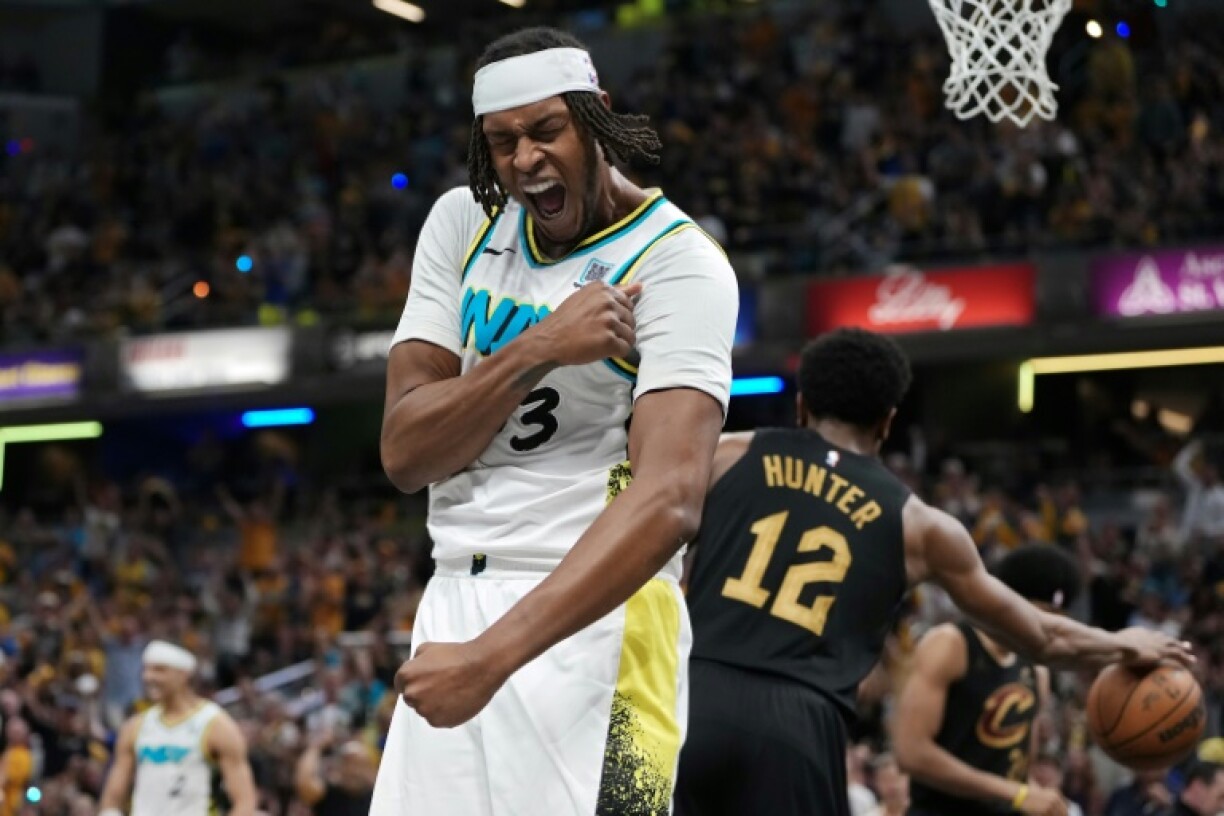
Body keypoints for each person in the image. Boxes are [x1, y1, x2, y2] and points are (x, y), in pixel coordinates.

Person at [372, 25, 737, 816]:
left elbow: (671, 498)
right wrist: (539, 347)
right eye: (502, 142)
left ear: (596, 115)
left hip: (604, 620)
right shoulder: (462, 224)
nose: (525, 160)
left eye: (546, 131)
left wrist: (491, 658)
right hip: (455, 602)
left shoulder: (680, 263)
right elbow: (405, 453)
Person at [675, 327, 1192, 816]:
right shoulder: (920, 525)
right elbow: (1040, 636)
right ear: (888, 421)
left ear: (802, 405)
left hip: (691, 694)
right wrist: (1123, 644)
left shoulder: (726, 456)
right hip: (800, 721)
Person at [893, 544, 1079, 816]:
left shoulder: (1037, 671)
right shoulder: (950, 644)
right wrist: (1013, 792)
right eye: (1043, 614)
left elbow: (1016, 772)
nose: (1048, 628)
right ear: (1008, 600)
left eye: (1058, 620)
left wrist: (1039, 797)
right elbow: (911, 752)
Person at [98, 641, 257, 816]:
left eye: (159, 670)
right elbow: (112, 797)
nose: (148, 677)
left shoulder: (216, 725)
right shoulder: (135, 726)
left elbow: (245, 801)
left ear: (183, 674)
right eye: (146, 670)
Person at [294, 729, 376, 816]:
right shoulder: (330, 793)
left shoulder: (376, 798)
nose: (352, 770)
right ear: (338, 768)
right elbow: (304, 782)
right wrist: (316, 747)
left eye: (359, 764)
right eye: (347, 763)